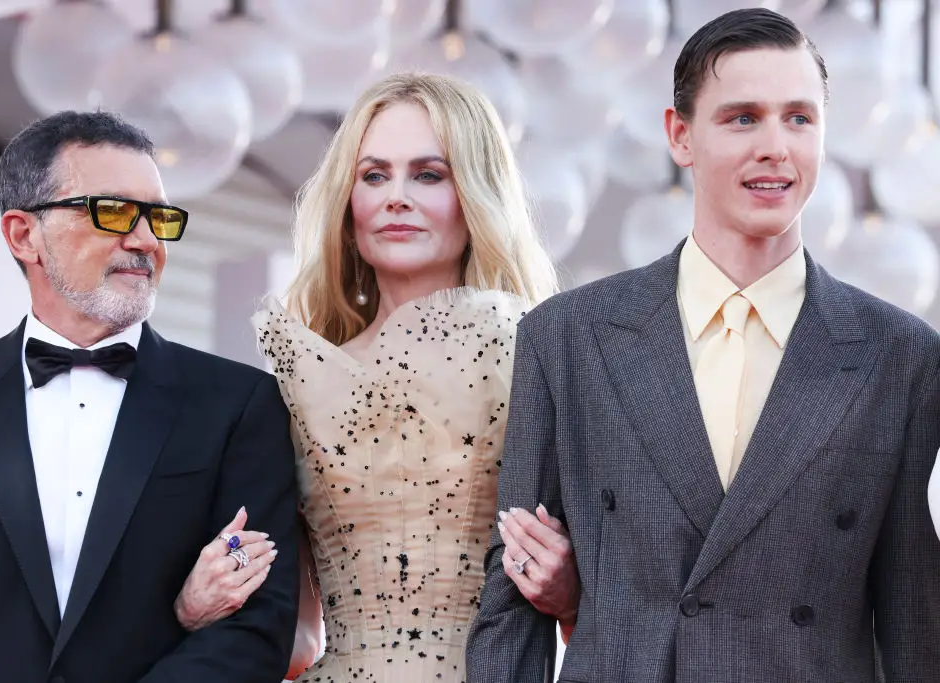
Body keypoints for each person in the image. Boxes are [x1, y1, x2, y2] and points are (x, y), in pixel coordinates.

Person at [467, 8, 940, 682]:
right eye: (743, 117)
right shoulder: (567, 337)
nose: (775, 145)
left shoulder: (904, 356)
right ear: (680, 135)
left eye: (799, 118)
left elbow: (916, 625)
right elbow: (511, 604)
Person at [173, 71, 582, 682]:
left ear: (475, 191)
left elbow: (630, 605)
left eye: (427, 174)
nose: (396, 196)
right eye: (374, 175)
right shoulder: (298, 379)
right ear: (348, 204)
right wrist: (195, 607)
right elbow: (298, 638)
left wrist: (570, 596)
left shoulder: (541, 353)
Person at [0, 111, 300, 683]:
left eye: (159, 217)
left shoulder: (241, 405)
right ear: (25, 235)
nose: (145, 240)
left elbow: (257, 628)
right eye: (114, 211)